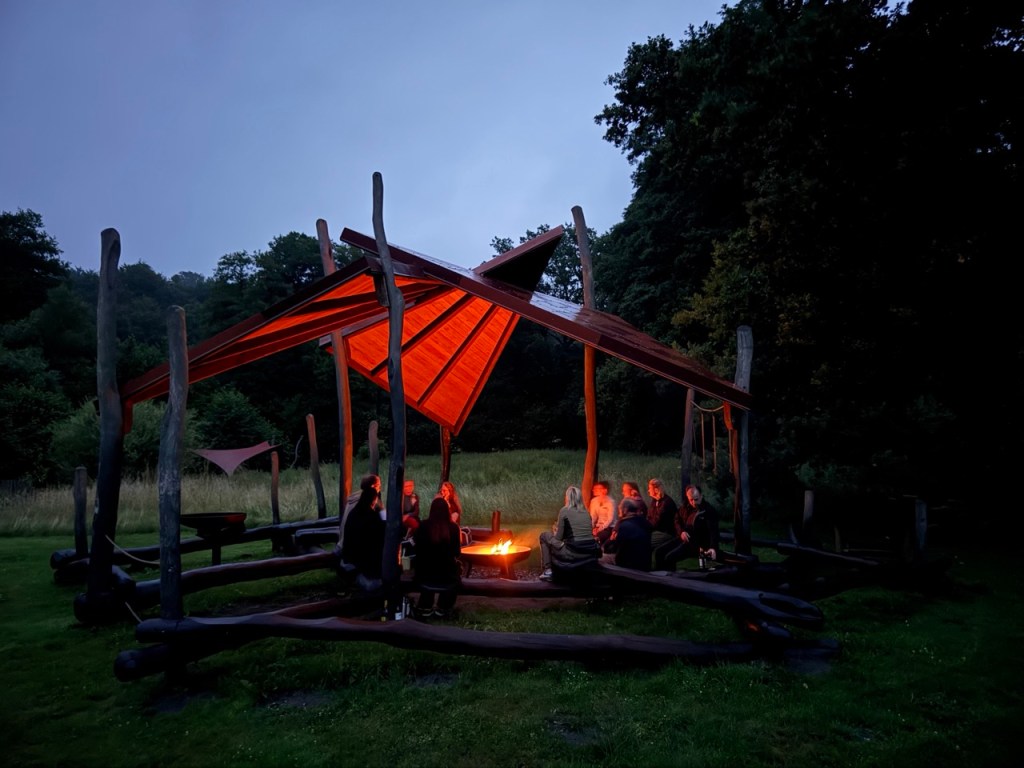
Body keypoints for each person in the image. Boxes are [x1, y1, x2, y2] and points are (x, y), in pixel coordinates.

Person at [412, 497, 462, 618]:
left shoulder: (423, 526)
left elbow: (416, 548)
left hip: (424, 574)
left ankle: (425, 606)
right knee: (455, 571)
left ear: (431, 510)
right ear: (447, 511)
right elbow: (457, 552)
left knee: (427, 568)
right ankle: (443, 607)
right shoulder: (453, 528)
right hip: (447, 575)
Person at [538, 486, 601, 581]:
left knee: (544, 536)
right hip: (588, 552)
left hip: (572, 553)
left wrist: (555, 532)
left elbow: (558, 538)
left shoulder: (564, 510)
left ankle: (548, 571)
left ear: (567, 497)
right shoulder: (586, 512)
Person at [660, 484, 721, 571]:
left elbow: (714, 531)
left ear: (701, 496)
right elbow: (677, 520)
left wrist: (712, 547)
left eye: (696, 499)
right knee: (660, 552)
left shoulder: (708, 511)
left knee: (669, 558)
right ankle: (659, 577)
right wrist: (681, 532)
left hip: (695, 543)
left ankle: (670, 580)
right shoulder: (685, 507)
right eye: (691, 500)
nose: (693, 502)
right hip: (683, 538)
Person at [340, 477, 385, 591]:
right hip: (358, 555)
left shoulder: (357, 509)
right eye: (378, 485)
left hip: (350, 550)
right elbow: (379, 530)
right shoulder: (368, 514)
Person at [337, 474, 382, 553]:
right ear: (373, 486)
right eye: (378, 485)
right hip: (353, 547)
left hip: (343, 543)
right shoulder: (366, 502)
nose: (380, 488)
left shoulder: (355, 498)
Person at [612, 496, 653, 571]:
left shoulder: (624, 525)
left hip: (630, 564)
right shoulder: (645, 522)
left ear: (625, 510)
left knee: (603, 558)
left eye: (620, 508)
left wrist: (611, 541)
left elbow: (616, 547)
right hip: (645, 563)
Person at [647, 478, 680, 570]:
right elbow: (649, 517)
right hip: (657, 530)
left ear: (656, 490)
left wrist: (646, 528)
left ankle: (651, 570)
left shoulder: (666, 503)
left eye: (650, 488)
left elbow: (657, 521)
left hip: (667, 532)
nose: (648, 490)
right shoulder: (654, 501)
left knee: (646, 541)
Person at [588, 480, 617, 548]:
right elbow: (593, 517)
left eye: (597, 489)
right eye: (594, 489)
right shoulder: (594, 501)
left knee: (598, 537)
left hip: (609, 527)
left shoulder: (611, 502)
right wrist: (591, 528)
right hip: (598, 526)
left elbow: (610, 519)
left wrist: (600, 529)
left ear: (605, 490)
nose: (594, 490)